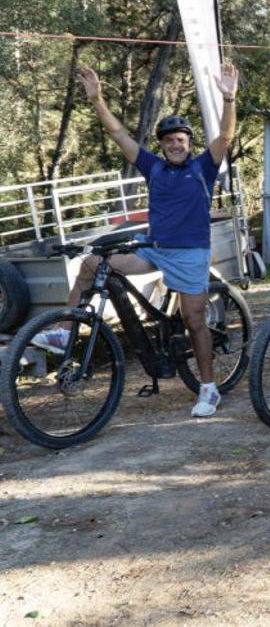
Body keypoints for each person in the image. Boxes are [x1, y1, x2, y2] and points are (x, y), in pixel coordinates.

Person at [33, 63, 240, 418]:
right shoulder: (153, 167)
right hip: (154, 249)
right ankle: (65, 334)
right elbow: (118, 134)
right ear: (161, 146)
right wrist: (97, 100)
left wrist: (229, 98)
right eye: (169, 140)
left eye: (181, 139)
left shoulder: (202, 167)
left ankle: (208, 389)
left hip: (191, 253)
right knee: (91, 265)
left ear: (189, 145)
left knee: (194, 322)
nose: (175, 144)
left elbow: (224, 136)